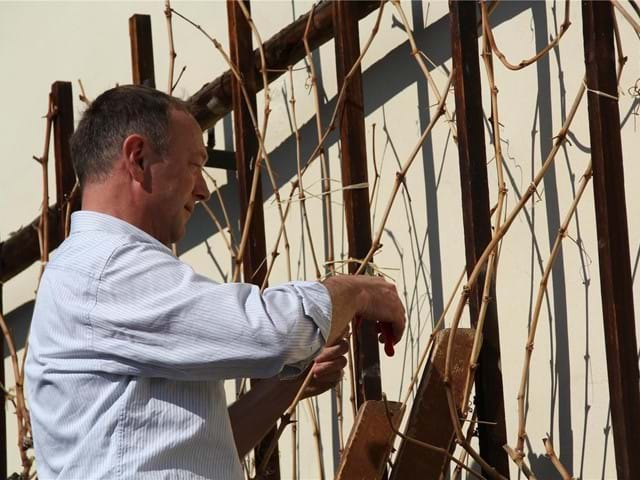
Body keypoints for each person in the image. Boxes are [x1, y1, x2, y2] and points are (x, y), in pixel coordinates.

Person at [25, 85, 405, 479]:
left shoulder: (100, 272)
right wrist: (357, 290)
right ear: (138, 159)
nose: (204, 189)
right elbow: (274, 331)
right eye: (194, 164)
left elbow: (197, 451)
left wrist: (285, 386)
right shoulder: (105, 269)